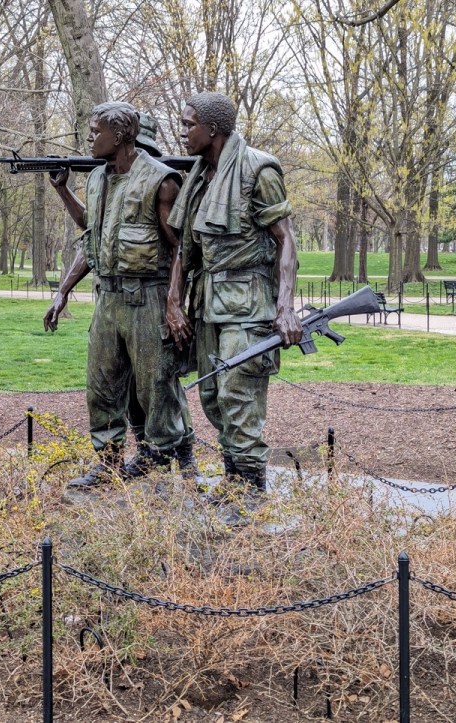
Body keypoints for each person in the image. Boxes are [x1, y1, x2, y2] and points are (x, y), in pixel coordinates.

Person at [43, 101, 196, 488]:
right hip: (108, 299)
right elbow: (91, 232)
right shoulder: (97, 178)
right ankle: (108, 464)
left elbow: (181, 247)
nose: (89, 138)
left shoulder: (161, 181)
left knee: (155, 387)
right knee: (102, 386)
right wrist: (63, 291)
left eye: (96, 131)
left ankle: (161, 464)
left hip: (148, 298)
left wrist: (174, 303)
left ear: (121, 134)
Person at [168, 91, 301, 506]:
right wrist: (173, 301)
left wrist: (285, 307)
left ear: (213, 129)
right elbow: (185, 248)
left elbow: (286, 240)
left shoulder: (257, 169)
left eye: (189, 125)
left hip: (248, 304)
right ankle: (234, 482)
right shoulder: (199, 177)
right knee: (212, 396)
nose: (183, 132)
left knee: (238, 396)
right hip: (208, 304)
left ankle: (251, 493)